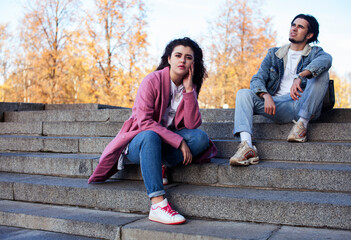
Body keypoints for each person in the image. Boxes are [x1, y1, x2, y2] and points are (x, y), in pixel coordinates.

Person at [88, 37, 217, 225]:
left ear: (193, 63)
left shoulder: (189, 87)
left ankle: (161, 165)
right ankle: (157, 204)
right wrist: (179, 141)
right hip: (138, 144)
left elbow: (192, 124)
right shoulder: (152, 80)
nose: (182, 60)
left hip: (163, 143)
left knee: (200, 139)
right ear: (169, 59)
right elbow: (144, 122)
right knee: (150, 135)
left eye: (188, 58)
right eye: (178, 55)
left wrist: (189, 91)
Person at [230, 14, 332, 166]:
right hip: (278, 105)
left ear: (309, 35)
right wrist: (265, 95)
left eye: (300, 27)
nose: (294, 29)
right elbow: (257, 78)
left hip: (304, 104)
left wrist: (301, 75)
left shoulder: (316, 53)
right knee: (243, 93)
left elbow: (327, 59)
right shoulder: (274, 54)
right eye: (293, 25)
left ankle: (301, 126)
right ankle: (247, 147)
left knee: (322, 72)